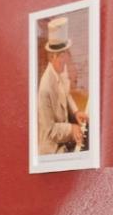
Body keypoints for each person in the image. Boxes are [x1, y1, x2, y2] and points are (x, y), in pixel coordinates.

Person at [36, 17, 87, 155]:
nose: (65, 61)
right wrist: (71, 129)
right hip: (52, 150)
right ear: (52, 57)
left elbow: (65, 94)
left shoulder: (60, 69)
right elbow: (50, 130)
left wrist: (76, 112)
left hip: (63, 141)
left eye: (65, 55)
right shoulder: (45, 88)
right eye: (61, 57)